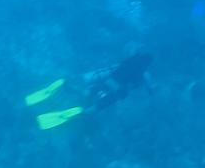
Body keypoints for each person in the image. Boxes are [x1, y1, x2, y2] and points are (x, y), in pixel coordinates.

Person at [25, 48, 154, 129]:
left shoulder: (131, 59)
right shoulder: (143, 74)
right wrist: (149, 90)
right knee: (92, 110)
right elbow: (147, 90)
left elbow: (117, 66)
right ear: (147, 64)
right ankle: (78, 110)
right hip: (115, 94)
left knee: (84, 92)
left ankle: (64, 84)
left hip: (107, 83)